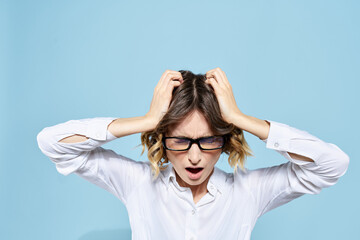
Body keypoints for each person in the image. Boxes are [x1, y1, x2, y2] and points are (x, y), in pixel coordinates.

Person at [37, 67, 350, 240]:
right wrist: (145, 121)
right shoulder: (138, 184)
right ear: (162, 139)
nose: (195, 156)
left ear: (225, 141)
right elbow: (52, 143)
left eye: (208, 140)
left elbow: (332, 165)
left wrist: (241, 119)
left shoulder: (248, 193)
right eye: (181, 141)